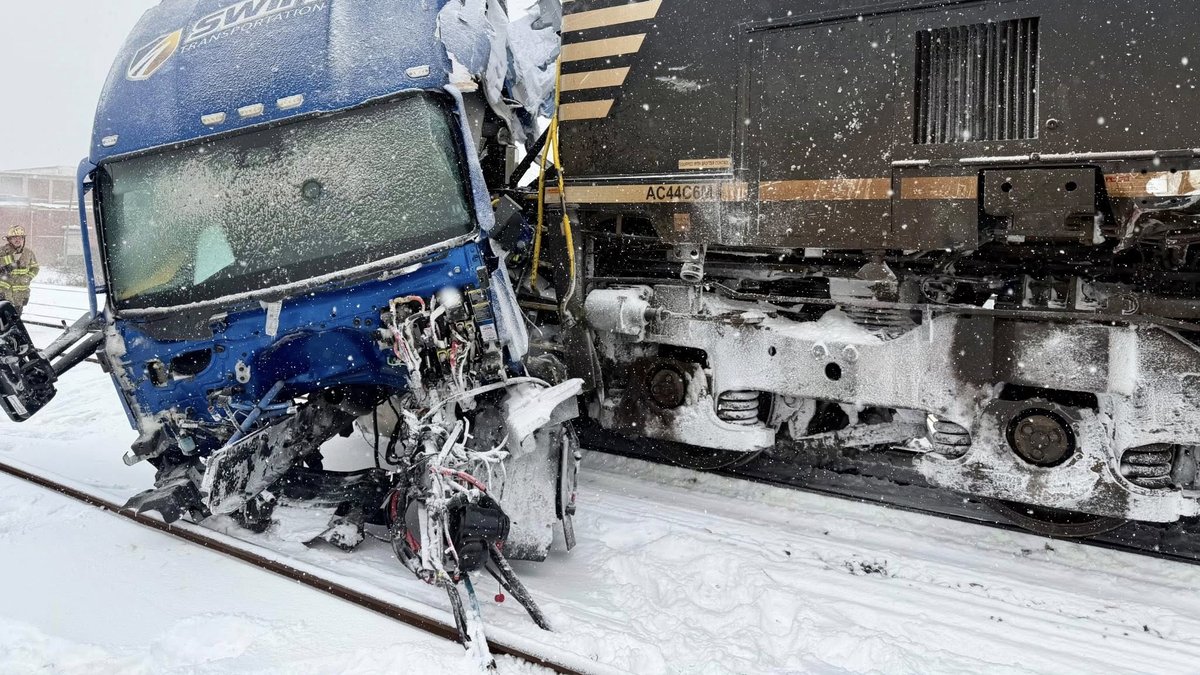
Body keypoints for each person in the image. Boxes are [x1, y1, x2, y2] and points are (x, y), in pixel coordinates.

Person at [0, 225, 39, 315]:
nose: (18, 240)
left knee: (16, 321)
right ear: (9, 240)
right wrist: (9, 260)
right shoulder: (2, 251)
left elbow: (35, 267)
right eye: (14, 238)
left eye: (20, 237)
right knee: (3, 321)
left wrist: (28, 277)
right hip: (3, 293)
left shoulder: (28, 253)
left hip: (20, 295)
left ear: (23, 239)